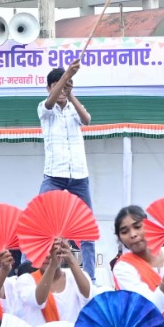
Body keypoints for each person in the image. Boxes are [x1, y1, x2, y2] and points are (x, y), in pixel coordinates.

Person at [39, 62, 96, 270]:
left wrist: (70, 93)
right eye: (55, 85)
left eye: (64, 85)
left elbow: (87, 120)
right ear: (48, 88)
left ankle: (90, 275)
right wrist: (65, 78)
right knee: (38, 219)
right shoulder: (45, 108)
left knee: (88, 226)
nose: (60, 90)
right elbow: (49, 103)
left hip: (79, 175)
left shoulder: (73, 106)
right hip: (54, 175)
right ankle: (31, 265)